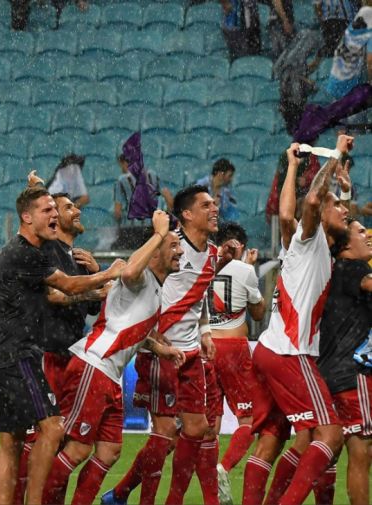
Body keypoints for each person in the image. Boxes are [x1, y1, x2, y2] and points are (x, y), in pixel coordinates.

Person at [0, 186, 125, 505]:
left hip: (7, 354)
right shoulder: (26, 252)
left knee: (13, 441)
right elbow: (65, 286)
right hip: (21, 354)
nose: (54, 215)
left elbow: (66, 292)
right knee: (51, 430)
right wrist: (108, 273)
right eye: (47, 210)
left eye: (54, 209)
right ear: (26, 217)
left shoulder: (21, 250)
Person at [42, 210, 187, 505]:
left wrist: (160, 349)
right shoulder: (140, 275)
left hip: (109, 374)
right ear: (155, 252)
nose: (180, 251)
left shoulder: (156, 288)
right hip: (93, 365)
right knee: (77, 449)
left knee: (109, 451)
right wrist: (159, 232)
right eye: (173, 246)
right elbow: (131, 270)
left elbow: (126, 327)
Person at [241, 137, 353, 505]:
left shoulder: (298, 244)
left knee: (277, 437)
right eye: (338, 206)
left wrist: (293, 166)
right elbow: (310, 203)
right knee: (331, 435)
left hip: (270, 351)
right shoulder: (312, 238)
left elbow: (288, 213)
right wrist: (334, 157)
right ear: (321, 216)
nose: (346, 212)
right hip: (291, 353)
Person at [105, 185, 220, 505]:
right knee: (165, 434)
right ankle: (132, 496)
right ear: (186, 214)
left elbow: (200, 295)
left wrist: (206, 331)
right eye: (206, 205)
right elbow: (139, 283)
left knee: (197, 430)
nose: (215, 209)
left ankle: (136, 494)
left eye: (214, 204)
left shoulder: (212, 253)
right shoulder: (168, 247)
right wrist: (150, 335)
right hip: (159, 352)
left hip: (191, 353)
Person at [14, 172, 105, 503]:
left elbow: (95, 305)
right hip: (47, 353)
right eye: (67, 208)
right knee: (43, 436)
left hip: (70, 358)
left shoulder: (76, 257)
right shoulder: (48, 250)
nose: (75, 211)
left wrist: (94, 272)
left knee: (63, 441)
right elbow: (53, 295)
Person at [206, 222, 266, 505]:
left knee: (211, 423)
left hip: (205, 346)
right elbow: (257, 313)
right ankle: (223, 468)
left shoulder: (204, 265)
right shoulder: (245, 270)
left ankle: (209, 486)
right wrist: (248, 267)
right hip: (233, 348)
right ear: (240, 245)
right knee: (249, 418)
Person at [316, 218, 371, 505]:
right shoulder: (354, 267)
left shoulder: (333, 271)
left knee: (328, 450)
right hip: (353, 373)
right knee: (361, 451)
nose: (368, 236)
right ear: (346, 245)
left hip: (328, 371)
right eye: (362, 232)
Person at [113, 153, 173, 227]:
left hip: (132, 228)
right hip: (152, 226)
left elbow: (117, 212)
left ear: (124, 163)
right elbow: (168, 197)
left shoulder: (122, 180)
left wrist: (117, 222)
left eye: (121, 166)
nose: (121, 169)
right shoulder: (152, 175)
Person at [197, 159, 239, 223]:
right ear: (220, 174)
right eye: (229, 176)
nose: (231, 179)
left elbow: (232, 214)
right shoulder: (200, 185)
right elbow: (194, 207)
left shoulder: (228, 192)